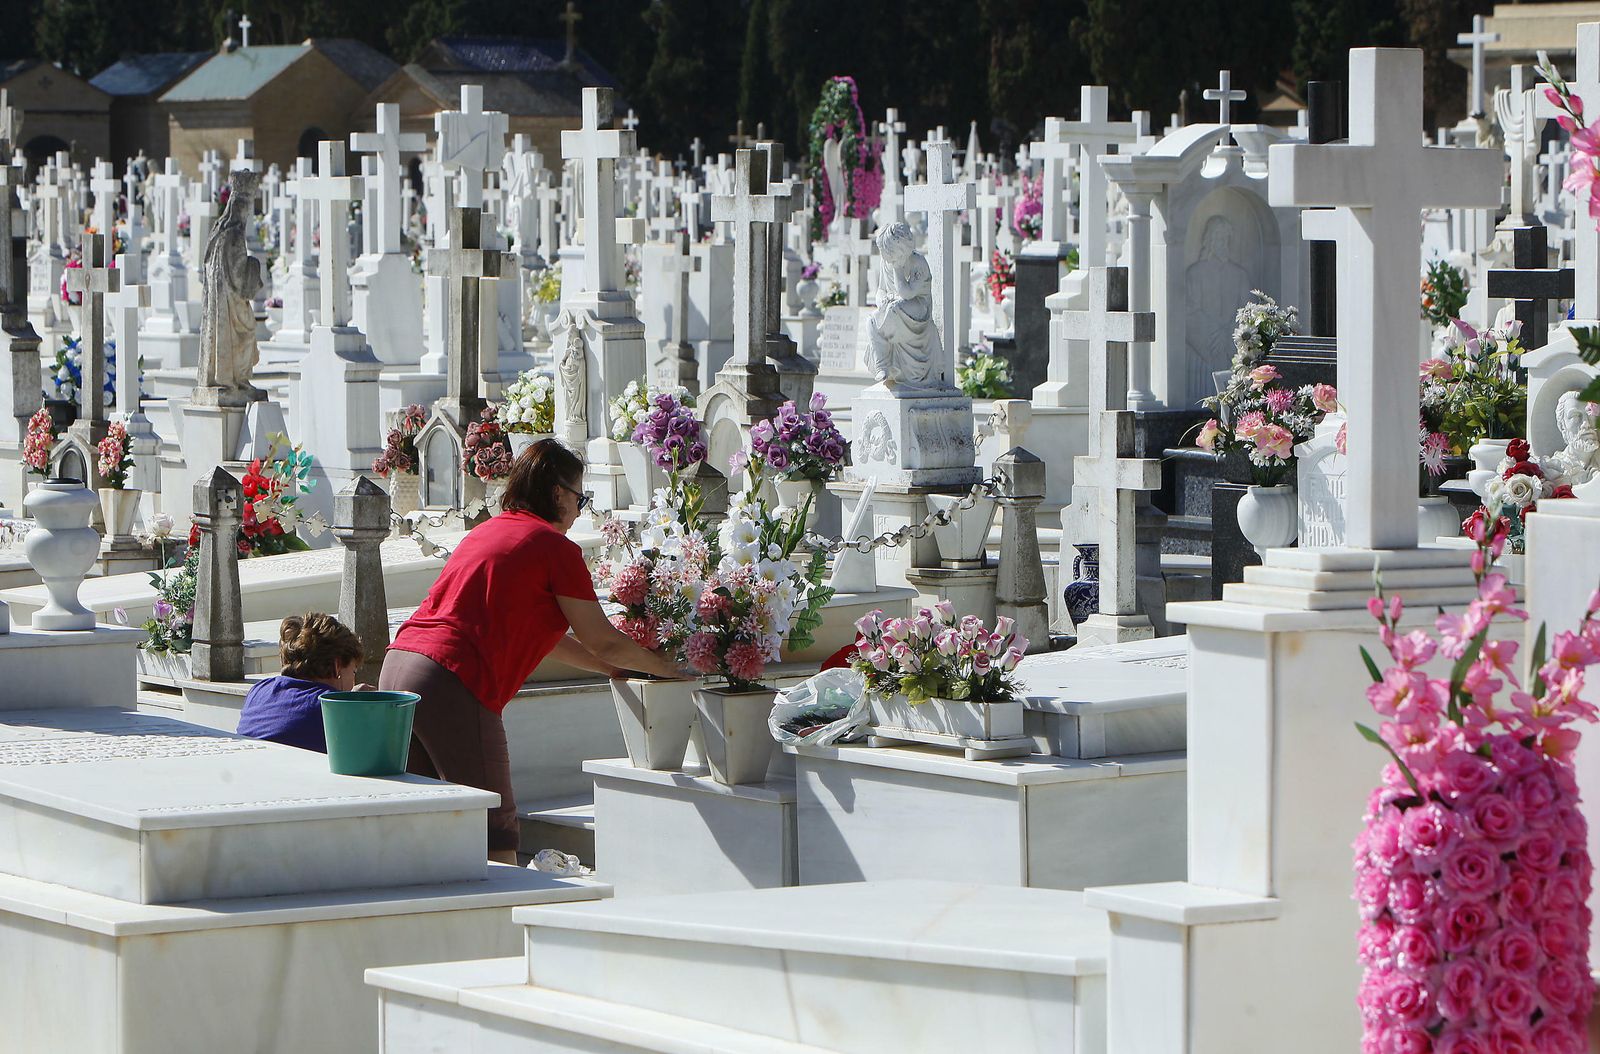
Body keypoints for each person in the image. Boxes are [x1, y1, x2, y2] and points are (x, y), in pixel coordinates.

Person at [382, 439, 687, 863]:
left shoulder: (487, 531)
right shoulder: (554, 548)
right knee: (493, 827)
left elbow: (550, 639)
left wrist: (609, 668)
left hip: (399, 667)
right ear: (558, 492)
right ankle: (503, 926)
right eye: (580, 497)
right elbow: (603, 638)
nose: (580, 510)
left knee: (433, 819)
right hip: (449, 677)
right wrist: (668, 669)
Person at [237, 612, 368, 752]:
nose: (354, 682)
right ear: (337, 666)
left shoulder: (258, 691)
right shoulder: (333, 709)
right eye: (353, 672)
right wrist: (363, 707)